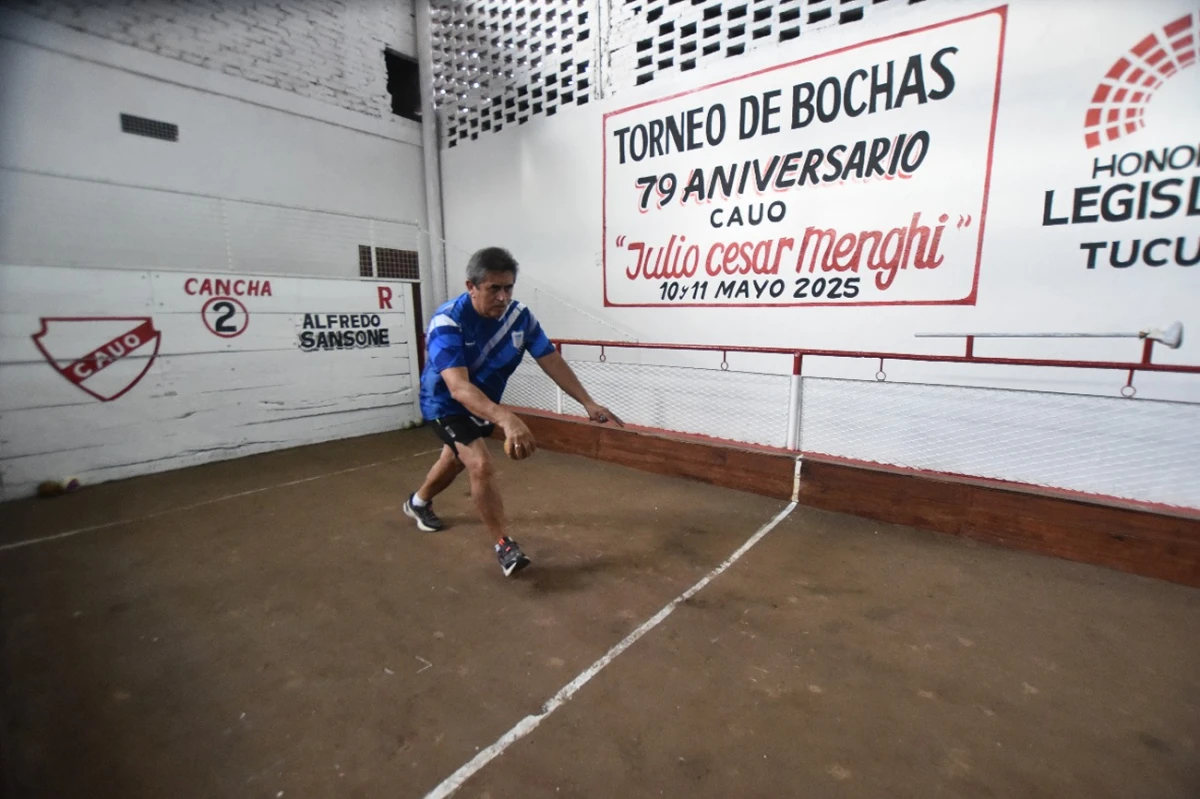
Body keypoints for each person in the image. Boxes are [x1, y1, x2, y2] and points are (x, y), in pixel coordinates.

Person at [403, 246, 624, 576]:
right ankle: (504, 545)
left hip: (484, 403)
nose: (503, 297)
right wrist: (507, 418)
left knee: (454, 458)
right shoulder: (447, 322)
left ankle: (418, 503)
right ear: (471, 286)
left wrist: (587, 402)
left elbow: (550, 359)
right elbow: (459, 388)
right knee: (478, 462)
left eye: (508, 288)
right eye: (494, 288)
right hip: (446, 403)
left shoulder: (520, 317)